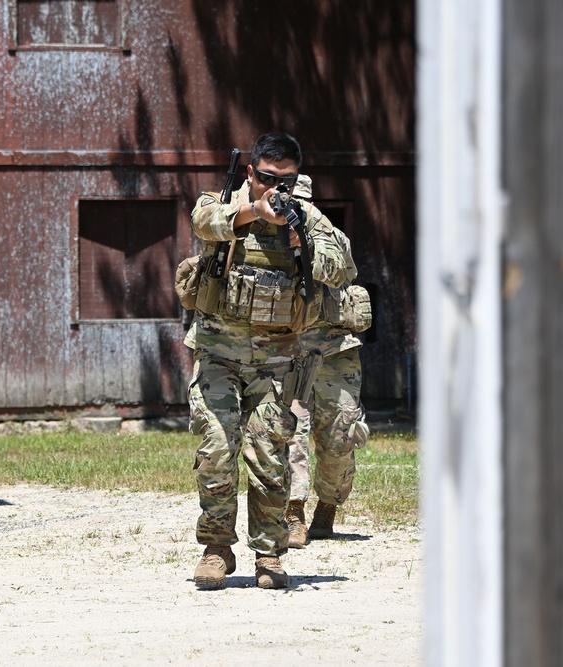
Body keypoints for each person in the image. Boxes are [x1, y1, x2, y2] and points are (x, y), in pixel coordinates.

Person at [185, 133, 350, 589]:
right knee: (216, 449)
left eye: (289, 179)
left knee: (268, 458)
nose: (278, 187)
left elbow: (342, 268)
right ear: (251, 172)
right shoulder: (223, 201)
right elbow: (203, 223)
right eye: (270, 178)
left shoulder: (306, 215)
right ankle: (217, 548)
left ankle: (270, 554)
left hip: (277, 360)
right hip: (218, 351)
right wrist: (253, 212)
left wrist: (304, 238)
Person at [285, 175, 370, 547]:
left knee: (340, 435)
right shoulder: (259, 237)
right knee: (289, 433)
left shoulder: (331, 236)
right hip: (287, 349)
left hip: (335, 349)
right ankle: (293, 513)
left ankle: (327, 508)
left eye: (301, 203)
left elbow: (344, 272)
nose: (295, 210)